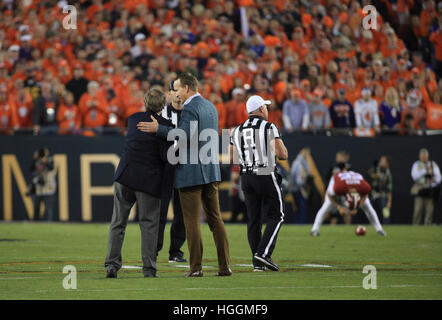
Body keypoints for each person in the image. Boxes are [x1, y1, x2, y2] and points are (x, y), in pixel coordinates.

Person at [137, 72, 231, 277]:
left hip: (191, 172)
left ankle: (196, 268)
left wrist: (158, 129)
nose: (175, 93)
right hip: (211, 169)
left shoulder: (189, 107)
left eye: (178, 88)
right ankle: (225, 266)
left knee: (191, 222)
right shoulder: (211, 107)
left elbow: (183, 135)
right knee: (216, 220)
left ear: (187, 88)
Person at [104, 88, 173, 279]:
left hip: (125, 176)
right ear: (163, 105)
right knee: (149, 224)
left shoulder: (133, 119)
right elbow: (166, 156)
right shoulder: (166, 126)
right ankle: (149, 269)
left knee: (118, 223)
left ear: (145, 102)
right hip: (148, 181)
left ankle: (111, 265)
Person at [230, 95, 288, 272]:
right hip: (264, 171)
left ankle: (257, 263)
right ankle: (263, 254)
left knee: (253, 220)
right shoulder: (269, 126)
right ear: (261, 109)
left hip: (246, 176)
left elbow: (232, 157)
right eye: (266, 107)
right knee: (277, 215)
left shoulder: (237, 130)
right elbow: (283, 154)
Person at [156, 80, 187, 263]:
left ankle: (176, 250)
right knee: (159, 210)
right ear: (168, 94)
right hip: (165, 164)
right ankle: (154, 249)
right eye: (174, 90)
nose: (177, 94)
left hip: (183, 164)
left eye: (179, 90)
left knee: (181, 211)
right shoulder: (162, 113)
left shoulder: (190, 114)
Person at [311, 170, 386, 236]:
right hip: (337, 179)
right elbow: (329, 195)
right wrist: (339, 207)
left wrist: (357, 206)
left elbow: (366, 194)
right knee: (326, 206)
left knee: (368, 207)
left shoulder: (363, 186)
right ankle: (314, 229)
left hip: (354, 179)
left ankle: (379, 229)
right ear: (346, 194)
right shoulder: (339, 188)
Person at [411, 148, 441, 225]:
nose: (424, 157)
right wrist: (425, 171)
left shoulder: (432, 164)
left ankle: (428, 227)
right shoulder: (416, 164)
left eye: (425, 156)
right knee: (418, 211)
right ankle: (415, 227)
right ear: (420, 156)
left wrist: (433, 180)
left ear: (428, 156)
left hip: (429, 190)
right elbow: (414, 176)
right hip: (420, 190)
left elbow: (439, 178)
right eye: (422, 156)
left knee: (429, 211)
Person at [27, 147, 56, 221]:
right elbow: (30, 169)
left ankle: (49, 224)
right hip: (38, 188)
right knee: (36, 208)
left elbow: (51, 168)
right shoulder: (36, 161)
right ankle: (35, 223)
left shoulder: (49, 159)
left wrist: (45, 161)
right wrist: (34, 159)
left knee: (48, 209)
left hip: (48, 188)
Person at [325, 151, 352, 226]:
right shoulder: (333, 167)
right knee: (334, 215)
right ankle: (332, 231)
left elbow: (352, 180)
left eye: (340, 157)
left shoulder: (348, 167)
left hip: (345, 193)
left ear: (344, 158)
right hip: (335, 193)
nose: (339, 158)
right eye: (338, 157)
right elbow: (327, 179)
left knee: (347, 212)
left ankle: (348, 228)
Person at [367, 156, 393, 224]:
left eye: (383, 161)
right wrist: (376, 176)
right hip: (373, 195)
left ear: (387, 163)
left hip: (383, 195)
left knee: (386, 213)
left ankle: (387, 226)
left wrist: (389, 202)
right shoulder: (375, 169)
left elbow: (390, 189)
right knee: (371, 211)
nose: (380, 162)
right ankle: (372, 226)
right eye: (380, 160)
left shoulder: (388, 174)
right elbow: (369, 173)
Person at [290, 147, 312, 224]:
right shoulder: (299, 163)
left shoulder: (302, 162)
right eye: (307, 153)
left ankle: (299, 223)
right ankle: (300, 223)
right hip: (299, 189)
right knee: (301, 208)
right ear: (303, 152)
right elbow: (298, 179)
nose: (307, 155)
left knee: (299, 208)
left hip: (297, 188)